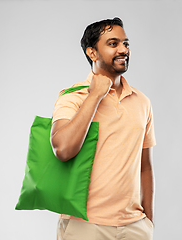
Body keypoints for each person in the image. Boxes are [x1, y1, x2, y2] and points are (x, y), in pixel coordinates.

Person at [50, 17, 156, 240]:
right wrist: (96, 94)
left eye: (126, 43)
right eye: (113, 43)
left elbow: (144, 166)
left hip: (134, 227)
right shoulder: (74, 97)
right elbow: (62, 149)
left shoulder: (142, 102)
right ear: (92, 53)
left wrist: (148, 221)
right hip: (85, 226)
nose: (123, 49)